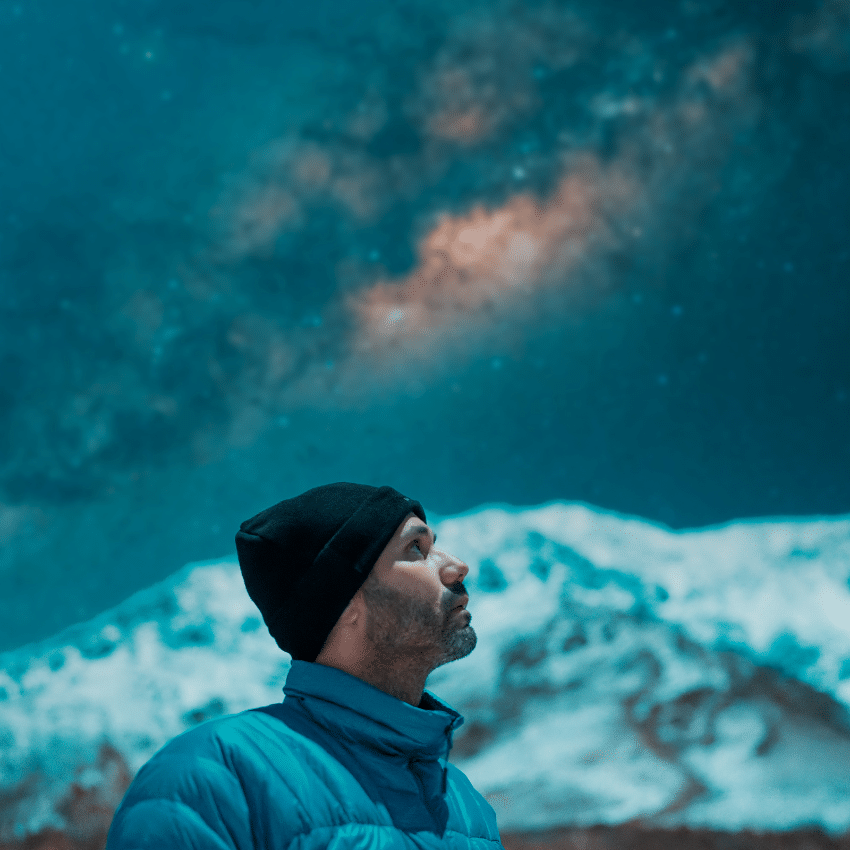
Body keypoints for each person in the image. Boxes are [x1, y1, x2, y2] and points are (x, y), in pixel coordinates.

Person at [106, 482, 505, 850]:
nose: (456, 565)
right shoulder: (212, 780)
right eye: (416, 549)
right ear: (346, 601)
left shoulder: (469, 810)